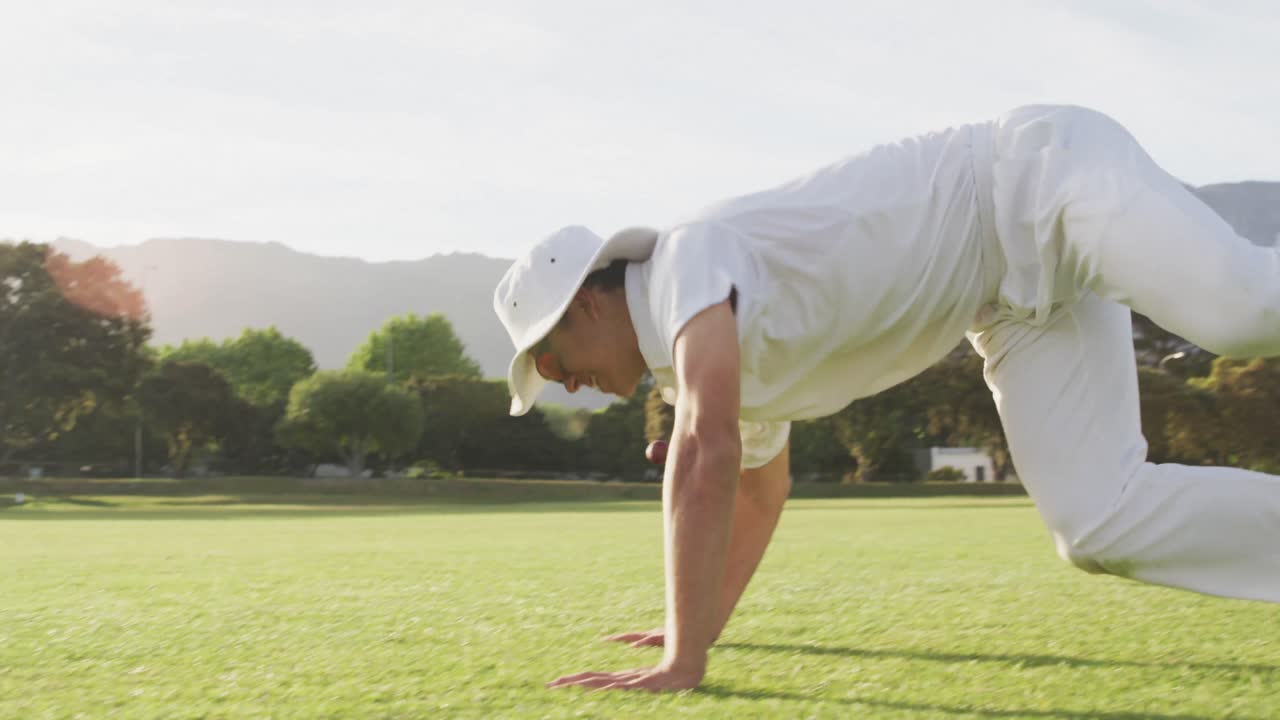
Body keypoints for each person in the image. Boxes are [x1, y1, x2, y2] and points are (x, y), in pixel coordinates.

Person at [492, 105, 1280, 693]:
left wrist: (682, 664)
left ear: (590, 301)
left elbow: (705, 452)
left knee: (1240, 313)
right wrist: (695, 625)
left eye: (552, 358)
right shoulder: (704, 355)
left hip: (1034, 178)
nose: (562, 382)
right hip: (1006, 299)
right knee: (1097, 523)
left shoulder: (684, 267)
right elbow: (759, 492)